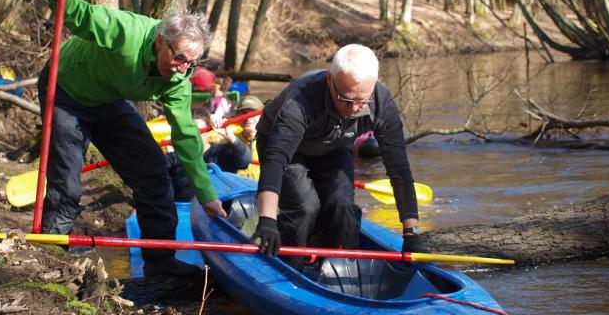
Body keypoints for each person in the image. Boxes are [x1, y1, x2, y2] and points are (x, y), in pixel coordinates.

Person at [39, 0, 226, 277]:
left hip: (109, 101)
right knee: (67, 180)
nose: (182, 68)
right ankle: (50, 252)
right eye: (178, 57)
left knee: (154, 173)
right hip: (67, 91)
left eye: (192, 63)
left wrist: (206, 195)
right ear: (159, 41)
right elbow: (79, 15)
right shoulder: (126, 30)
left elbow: (186, 138)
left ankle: (160, 259)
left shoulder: (180, 79)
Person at [249, 44, 425, 264]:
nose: (354, 108)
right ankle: (291, 263)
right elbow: (276, 160)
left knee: (342, 206)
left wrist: (411, 231)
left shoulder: (381, 102)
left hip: (335, 145)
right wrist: (267, 221)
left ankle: (337, 268)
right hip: (287, 149)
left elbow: (398, 169)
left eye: (362, 101)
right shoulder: (302, 98)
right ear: (330, 81)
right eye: (346, 99)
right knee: (304, 205)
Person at [167, 107, 252, 200]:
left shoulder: (220, 152)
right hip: (182, 210)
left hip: (218, 210)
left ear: (208, 131)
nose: (194, 135)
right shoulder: (176, 157)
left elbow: (245, 160)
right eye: (189, 131)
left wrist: (231, 137)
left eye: (199, 130)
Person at [233, 95, 264, 180]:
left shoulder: (272, 140)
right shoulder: (229, 138)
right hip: (238, 189)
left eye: (253, 114)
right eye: (243, 114)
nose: (248, 118)